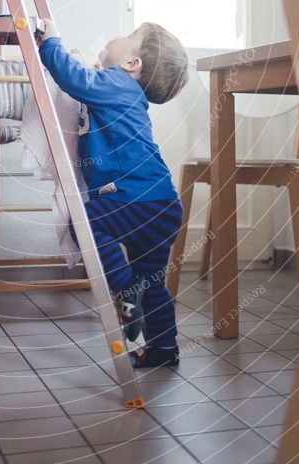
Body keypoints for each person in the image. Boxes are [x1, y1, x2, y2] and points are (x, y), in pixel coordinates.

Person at [38, 20, 188, 368]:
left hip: (136, 198)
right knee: (153, 283)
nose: (116, 35)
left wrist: (52, 43)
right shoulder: (123, 91)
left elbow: (75, 78)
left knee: (84, 222)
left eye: (128, 36)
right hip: (161, 204)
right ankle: (165, 348)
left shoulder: (116, 84)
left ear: (131, 64)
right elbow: (86, 80)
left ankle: (124, 286)